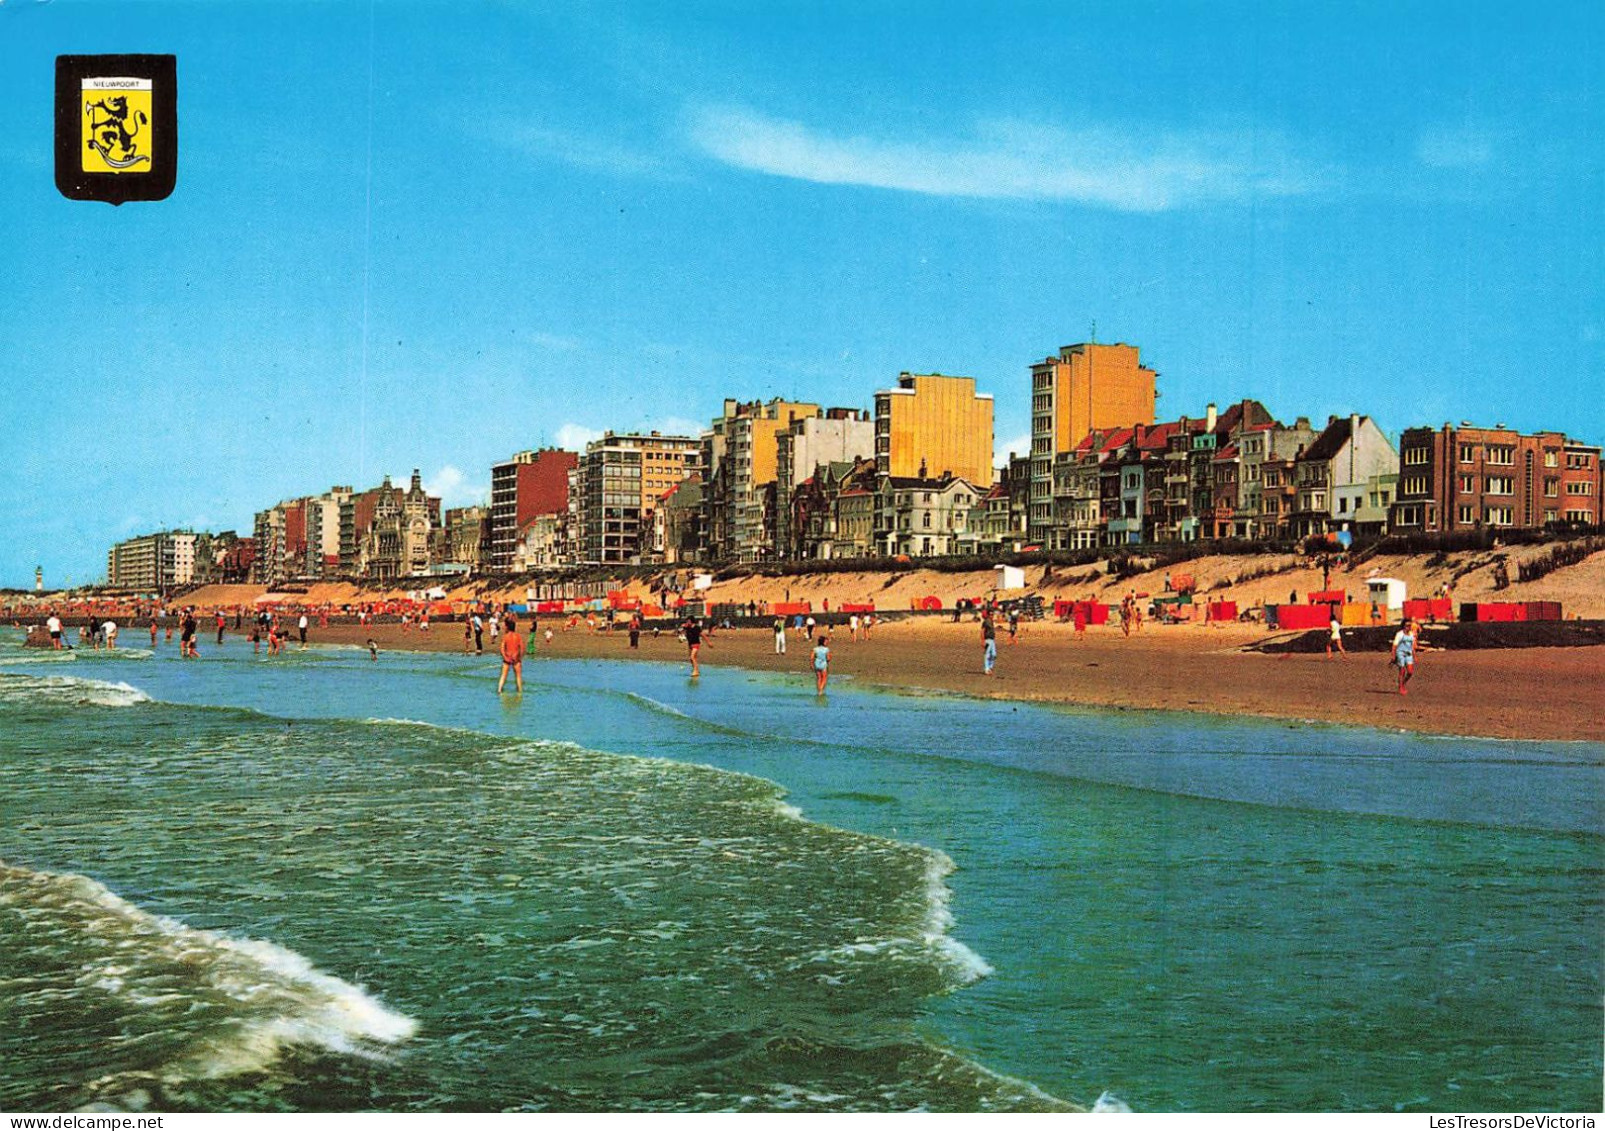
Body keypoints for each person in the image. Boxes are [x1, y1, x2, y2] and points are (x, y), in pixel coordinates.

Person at [1391, 618, 1418, 695]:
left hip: (1408, 653)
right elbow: (1394, 645)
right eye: (1407, 625)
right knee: (1402, 670)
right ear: (1403, 626)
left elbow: (1412, 646)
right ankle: (1401, 688)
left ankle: (1402, 683)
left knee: (1410, 672)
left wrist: (1414, 656)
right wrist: (1393, 655)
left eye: (1410, 625)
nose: (1408, 627)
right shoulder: (1399, 634)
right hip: (1400, 653)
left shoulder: (1412, 634)